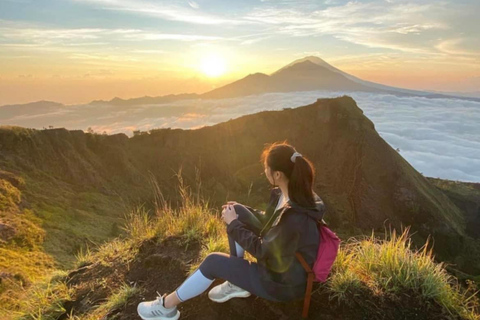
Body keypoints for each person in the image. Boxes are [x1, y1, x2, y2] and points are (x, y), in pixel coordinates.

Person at [137, 142, 326, 320]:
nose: (264, 171)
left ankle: (166, 308)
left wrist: (234, 224)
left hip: (281, 283)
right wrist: (241, 212)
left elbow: (262, 250)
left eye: (266, 167)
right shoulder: (289, 195)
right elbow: (270, 222)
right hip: (285, 267)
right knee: (235, 212)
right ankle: (238, 282)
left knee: (212, 262)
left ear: (277, 174)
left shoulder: (294, 216)